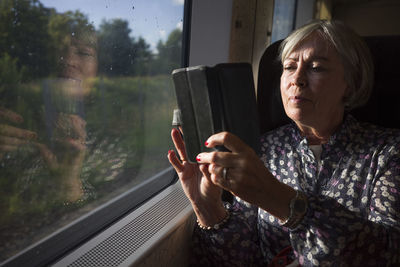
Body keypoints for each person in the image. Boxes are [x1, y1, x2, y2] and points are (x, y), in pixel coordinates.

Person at [168, 20, 400, 266]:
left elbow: (389, 253)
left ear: (350, 82)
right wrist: (208, 208)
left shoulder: (388, 151)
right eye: (289, 67)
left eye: (316, 68)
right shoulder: (261, 150)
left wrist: (281, 200)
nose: (297, 79)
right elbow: (242, 259)